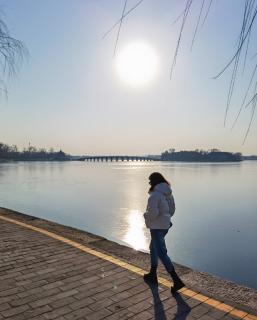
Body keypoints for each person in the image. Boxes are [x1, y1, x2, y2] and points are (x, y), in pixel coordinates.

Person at [143, 172, 185, 294]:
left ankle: (176, 280)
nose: (149, 183)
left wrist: (145, 215)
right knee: (154, 248)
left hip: (156, 227)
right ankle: (152, 274)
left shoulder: (154, 196)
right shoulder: (168, 193)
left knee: (161, 252)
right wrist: (166, 219)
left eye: (150, 180)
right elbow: (172, 209)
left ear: (154, 181)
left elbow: (152, 214)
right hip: (165, 225)